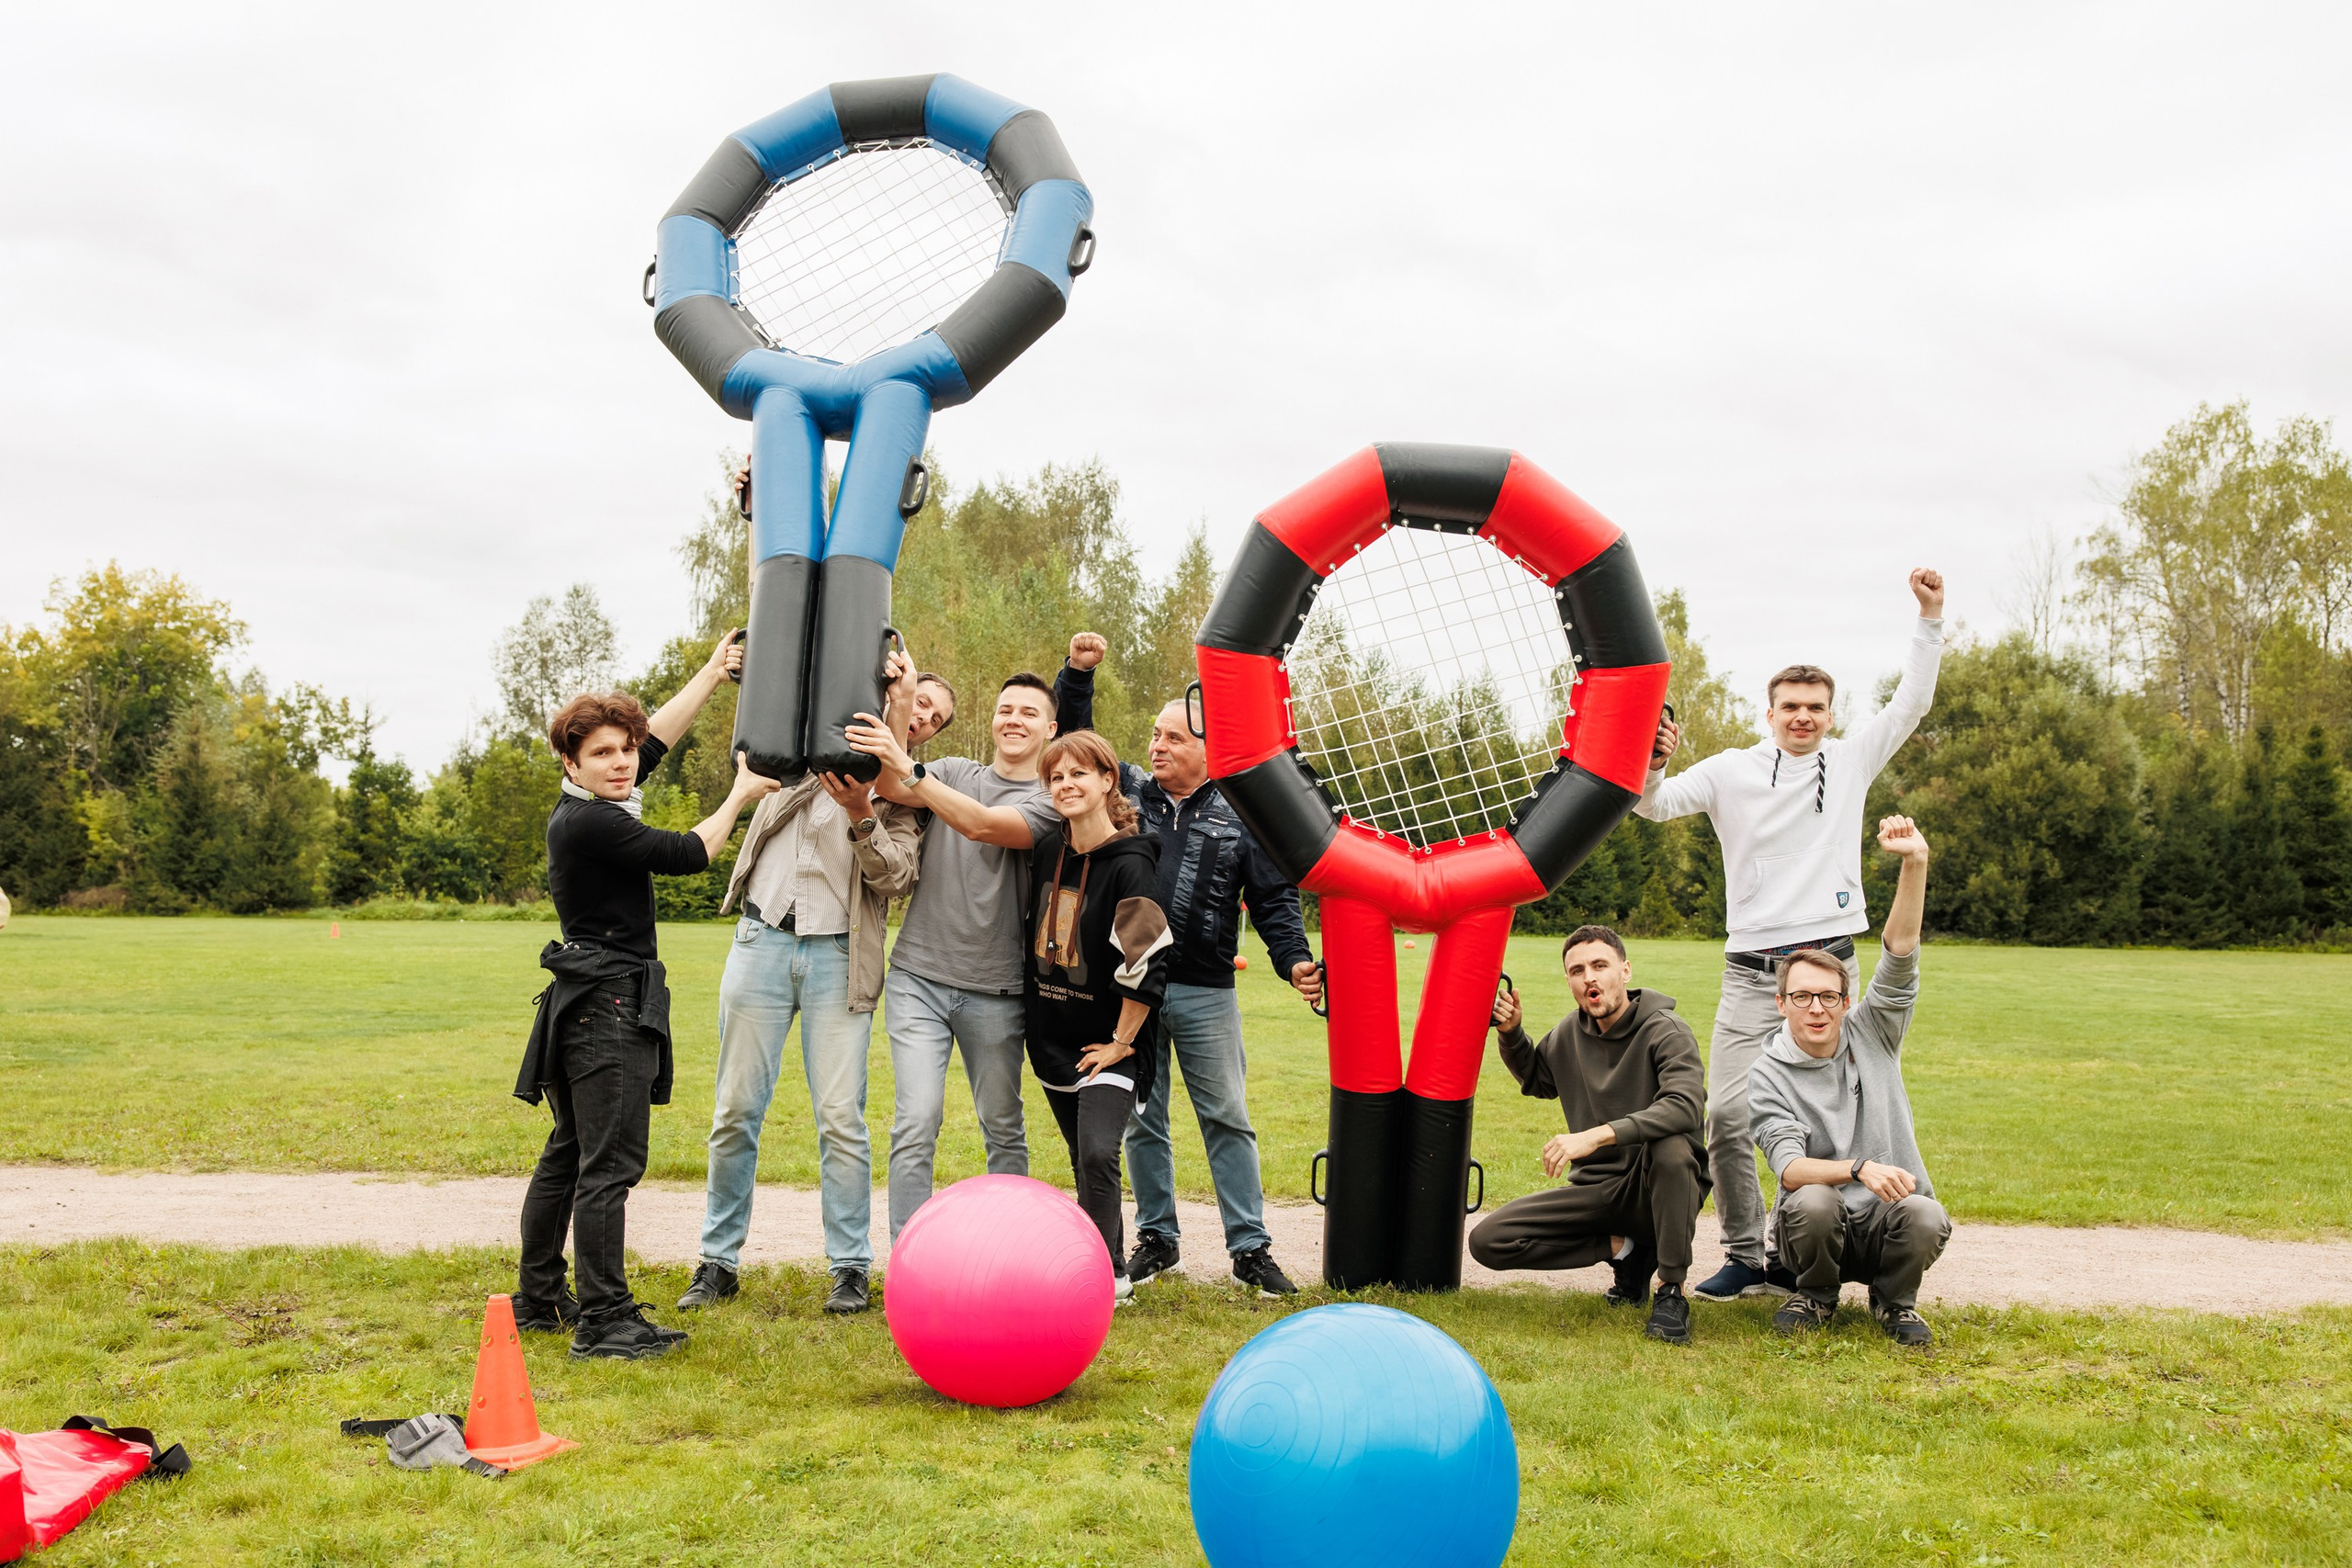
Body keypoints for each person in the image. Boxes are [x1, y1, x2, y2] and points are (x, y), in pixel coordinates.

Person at [1637, 568, 1946, 1303]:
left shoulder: (1850, 761)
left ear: (1831, 715)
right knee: (1728, 1114)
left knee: (1849, 1110)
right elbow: (1653, 805)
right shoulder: (1730, 771)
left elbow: (1914, 701)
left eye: (1815, 707)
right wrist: (1654, 757)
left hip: (1830, 965)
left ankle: (1846, 1238)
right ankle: (1751, 1254)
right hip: (1751, 973)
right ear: (1768, 711)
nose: (1802, 717)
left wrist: (1930, 616)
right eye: (1790, 707)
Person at [513, 631, 781, 1360]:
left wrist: (710, 673)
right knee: (609, 1166)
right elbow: (686, 854)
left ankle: (539, 1299)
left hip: (584, 1000)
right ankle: (604, 1320)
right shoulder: (594, 821)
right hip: (607, 1007)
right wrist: (742, 792)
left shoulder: (595, 802)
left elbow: (654, 737)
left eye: (624, 749)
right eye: (602, 753)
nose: (622, 761)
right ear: (570, 762)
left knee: (569, 1153)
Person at [1053, 633, 1319, 1297]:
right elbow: (1078, 743)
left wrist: (1294, 962)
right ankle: (1158, 1236)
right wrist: (1078, 677)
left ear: (1208, 746)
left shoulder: (1242, 812)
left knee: (1226, 1115)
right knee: (1142, 1115)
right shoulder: (1128, 797)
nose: (1157, 745)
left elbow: (1274, 899)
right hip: (1130, 992)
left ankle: (1250, 1249)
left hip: (1204, 991)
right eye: (1154, 734)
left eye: (1173, 736)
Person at [673, 761, 921, 1318]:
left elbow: (897, 878)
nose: (923, 720)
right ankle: (718, 1262)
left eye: (935, 718)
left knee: (840, 1117)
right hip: (761, 941)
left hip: (839, 955)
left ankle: (850, 1267)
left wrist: (861, 807)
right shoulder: (787, 760)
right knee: (734, 1110)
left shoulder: (901, 798)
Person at [843, 673, 1065, 1235]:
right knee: (915, 1121)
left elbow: (981, 825)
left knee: (1002, 1125)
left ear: (1050, 729)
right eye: (1004, 708)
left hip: (998, 990)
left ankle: (1009, 1249)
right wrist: (900, 700)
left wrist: (913, 771)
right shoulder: (954, 771)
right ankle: (908, 1256)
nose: (1013, 720)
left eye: (1028, 713)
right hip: (918, 977)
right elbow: (890, 786)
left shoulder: (1050, 802)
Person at [1748, 814, 1950, 1345]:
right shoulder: (1768, 1073)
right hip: (1817, 1227)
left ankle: (1895, 1304)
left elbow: (1899, 954)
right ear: (1781, 1003)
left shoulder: (1874, 1033)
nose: (1816, 1009)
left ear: (1845, 1001)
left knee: (1925, 1213)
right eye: (1801, 996)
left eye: (1828, 997)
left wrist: (1916, 862)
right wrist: (1857, 1168)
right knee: (1814, 1200)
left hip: (1888, 1219)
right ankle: (1815, 1297)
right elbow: (1789, 1170)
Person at [1464, 926, 1709, 1344]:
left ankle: (1670, 1291)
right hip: (1597, 1190)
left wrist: (1597, 1136)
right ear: (1569, 982)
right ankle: (1626, 1253)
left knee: (1672, 1147)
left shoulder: (1666, 1029)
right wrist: (1511, 1034)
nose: (1589, 978)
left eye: (1600, 965)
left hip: (1654, 1188)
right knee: (1490, 1241)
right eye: (1577, 970)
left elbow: (1685, 1106)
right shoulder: (1568, 1033)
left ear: (1625, 970)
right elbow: (1540, 1080)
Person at [1013, 730, 1172, 1301]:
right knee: (1086, 1161)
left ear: (1109, 781)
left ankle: (1108, 1277)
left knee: (1101, 1151)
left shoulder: (1132, 864)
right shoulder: (1047, 850)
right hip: (1052, 1041)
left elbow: (1146, 956)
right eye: (1055, 777)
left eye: (1079, 773)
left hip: (1109, 1044)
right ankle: (1098, 1262)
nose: (1066, 785)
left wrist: (1122, 1041)